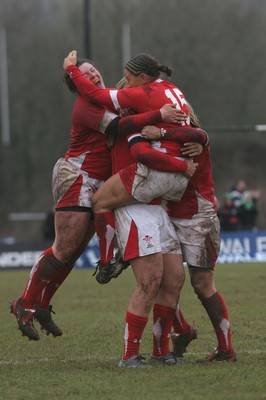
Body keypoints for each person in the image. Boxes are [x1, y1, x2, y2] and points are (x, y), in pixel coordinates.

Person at [10, 57, 182, 341]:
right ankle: (24, 304)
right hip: (77, 175)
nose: (94, 75)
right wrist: (159, 115)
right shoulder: (86, 105)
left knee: (74, 252)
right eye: (86, 74)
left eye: (94, 71)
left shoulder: (109, 99)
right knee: (63, 248)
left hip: (99, 182)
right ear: (78, 84)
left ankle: (41, 305)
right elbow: (118, 128)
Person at [64, 51, 200, 367]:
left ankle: (160, 351)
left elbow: (189, 124)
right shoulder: (127, 125)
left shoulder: (151, 115)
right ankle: (129, 355)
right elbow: (104, 107)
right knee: (150, 279)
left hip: (156, 205)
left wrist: (196, 140)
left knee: (174, 279)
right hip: (133, 206)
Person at [142, 105, 236, 363]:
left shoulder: (191, 137)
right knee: (164, 281)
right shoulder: (160, 139)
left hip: (198, 218)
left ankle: (226, 349)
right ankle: (180, 333)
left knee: (202, 284)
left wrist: (163, 132)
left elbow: (201, 136)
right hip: (168, 217)